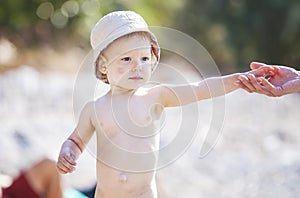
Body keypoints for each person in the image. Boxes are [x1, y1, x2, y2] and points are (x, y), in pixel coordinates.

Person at [56, 11, 274, 198]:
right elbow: (76, 141)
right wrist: (69, 152)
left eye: (144, 58)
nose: (137, 67)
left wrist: (238, 80)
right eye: (126, 59)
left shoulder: (155, 97)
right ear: (103, 66)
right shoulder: (95, 109)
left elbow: (200, 89)